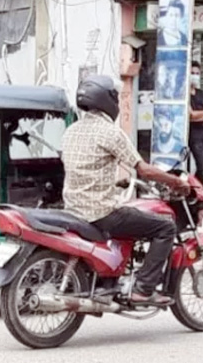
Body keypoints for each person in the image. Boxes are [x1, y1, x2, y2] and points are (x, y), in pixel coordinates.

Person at [62, 75, 190, 305]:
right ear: (108, 100)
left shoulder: (71, 131)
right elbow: (144, 170)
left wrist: (114, 183)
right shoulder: (111, 132)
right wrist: (175, 181)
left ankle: (115, 277)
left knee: (132, 220)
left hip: (73, 209)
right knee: (165, 227)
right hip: (101, 213)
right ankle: (143, 288)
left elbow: (87, 166)